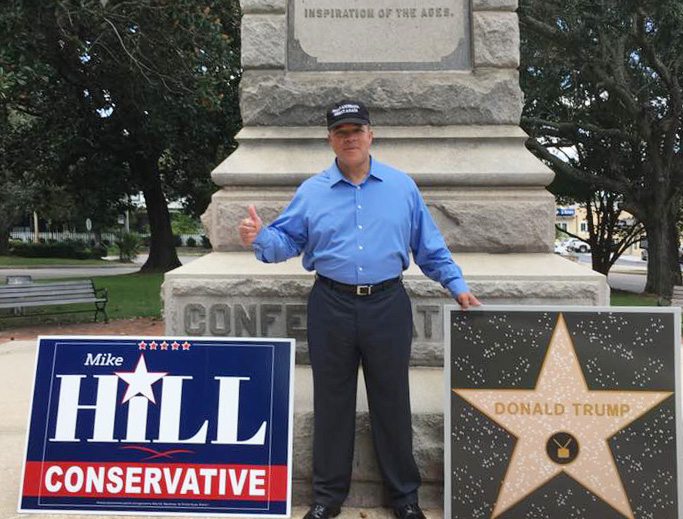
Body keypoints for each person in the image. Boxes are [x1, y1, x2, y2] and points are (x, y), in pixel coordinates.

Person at [238, 100, 480, 519]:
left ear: (370, 134)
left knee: (392, 401)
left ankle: (404, 499)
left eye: (356, 130)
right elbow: (285, 242)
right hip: (330, 304)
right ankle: (327, 498)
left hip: (387, 303)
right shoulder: (312, 191)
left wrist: (456, 286)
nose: (349, 138)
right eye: (341, 132)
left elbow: (429, 247)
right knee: (332, 403)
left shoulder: (402, 187)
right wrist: (260, 237)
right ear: (330, 139)